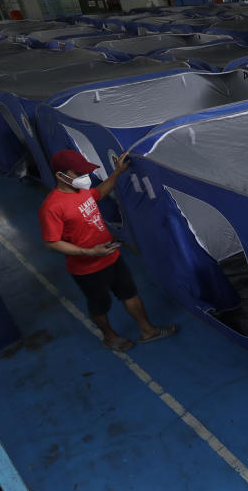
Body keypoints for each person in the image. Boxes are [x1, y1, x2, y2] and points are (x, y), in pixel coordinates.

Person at [39, 149, 176, 351]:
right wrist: (90, 252)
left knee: (130, 293)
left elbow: (100, 192)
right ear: (61, 176)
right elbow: (51, 243)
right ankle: (109, 336)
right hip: (87, 269)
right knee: (99, 305)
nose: (85, 178)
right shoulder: (52, 207)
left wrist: (117, 172)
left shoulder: (83, 190)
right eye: (79, 174)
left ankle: (148, 330)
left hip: (111, 255)